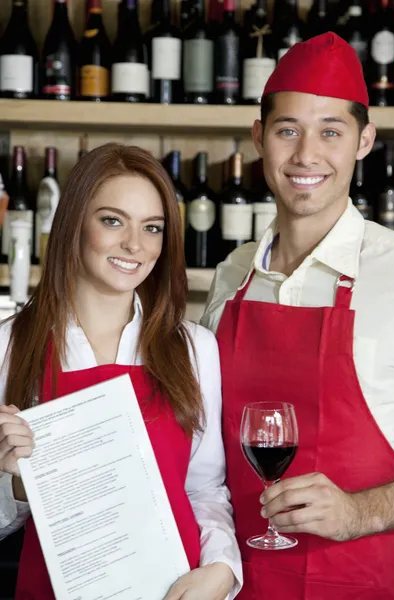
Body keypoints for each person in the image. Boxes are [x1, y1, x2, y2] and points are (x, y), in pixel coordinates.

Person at [201, 32, 394, 600]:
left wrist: (357, 513)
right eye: (288, 130)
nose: (306, 156)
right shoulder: (230, 275)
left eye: (330, 133)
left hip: (362, 584)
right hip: (234, 582)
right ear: (259, 138)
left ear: (364, 141)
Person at [0, 143, 242, 600]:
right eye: (112, 221)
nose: (135, 245)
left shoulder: (194, 349)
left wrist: (222, 567)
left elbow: (204, 490)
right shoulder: (9, 346)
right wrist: (13, 485)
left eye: (152, 228)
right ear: (73, 223)